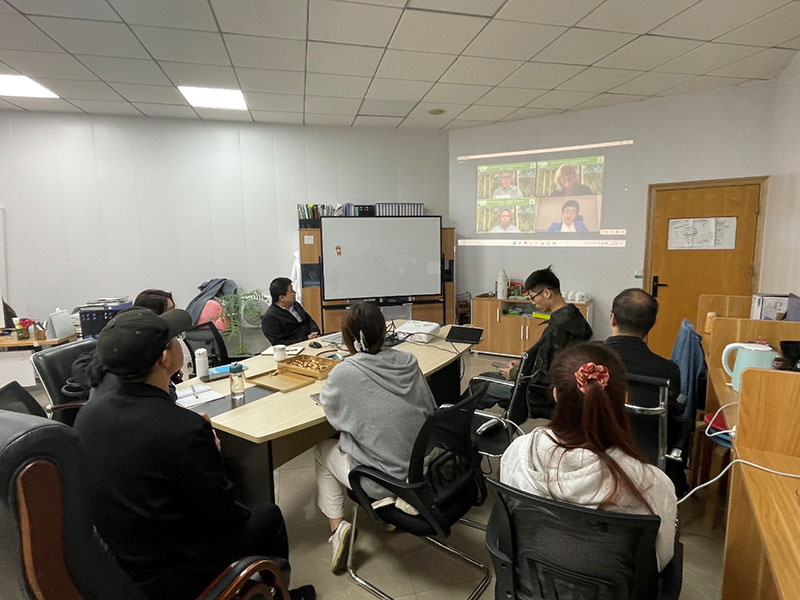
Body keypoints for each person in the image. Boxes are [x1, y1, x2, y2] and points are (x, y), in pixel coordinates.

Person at [74, 308, 313, 600]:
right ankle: (278, 594)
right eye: (174, 339)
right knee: (268, 515)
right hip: (179, 571)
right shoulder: (183, 429)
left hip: (123, 562)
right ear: (164, 358)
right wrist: (213, 453)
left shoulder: (87, 415)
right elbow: (227, 516)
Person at [500, 343, 677, 572]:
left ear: (555, 395)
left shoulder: (519, 452)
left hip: (533, 581)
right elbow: (659, 561)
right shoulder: (651, 484)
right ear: (625, 398)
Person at [314, 302, 436, 574]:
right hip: (421, 469)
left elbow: (331, 413)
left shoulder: (345, 372)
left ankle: (337, 530)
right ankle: (395, 504)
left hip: (383, 480)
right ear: (384, 332)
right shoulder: (408, 361)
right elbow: (430, 408)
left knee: (323, 449)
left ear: (347, 338)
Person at [606, 288, 687, 494]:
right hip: (647, 461)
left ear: (612, 318)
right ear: (651, 325)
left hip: (592, 449)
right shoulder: (668, 370)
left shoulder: (586, 359)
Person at [485, 266, 592, 418]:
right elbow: (552, 362)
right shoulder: (575, 318)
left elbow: (544, 378)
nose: (532, 302)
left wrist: (514, 373)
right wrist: (525, 363)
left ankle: (455, 424)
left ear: (546, 293)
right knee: (488, 377)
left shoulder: (557, 330)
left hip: (539, 394)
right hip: (563, 391)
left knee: (480, 384)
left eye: (533, 297)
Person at [261, 277, 320, 346]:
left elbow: (309, 320)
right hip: (295, 348)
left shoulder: (296, 305)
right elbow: (278, 343)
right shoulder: (270, 317)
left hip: (313, 341)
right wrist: (306, 338)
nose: (295, 293)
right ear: (282, 298)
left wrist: (314, 331)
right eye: (291, 291)